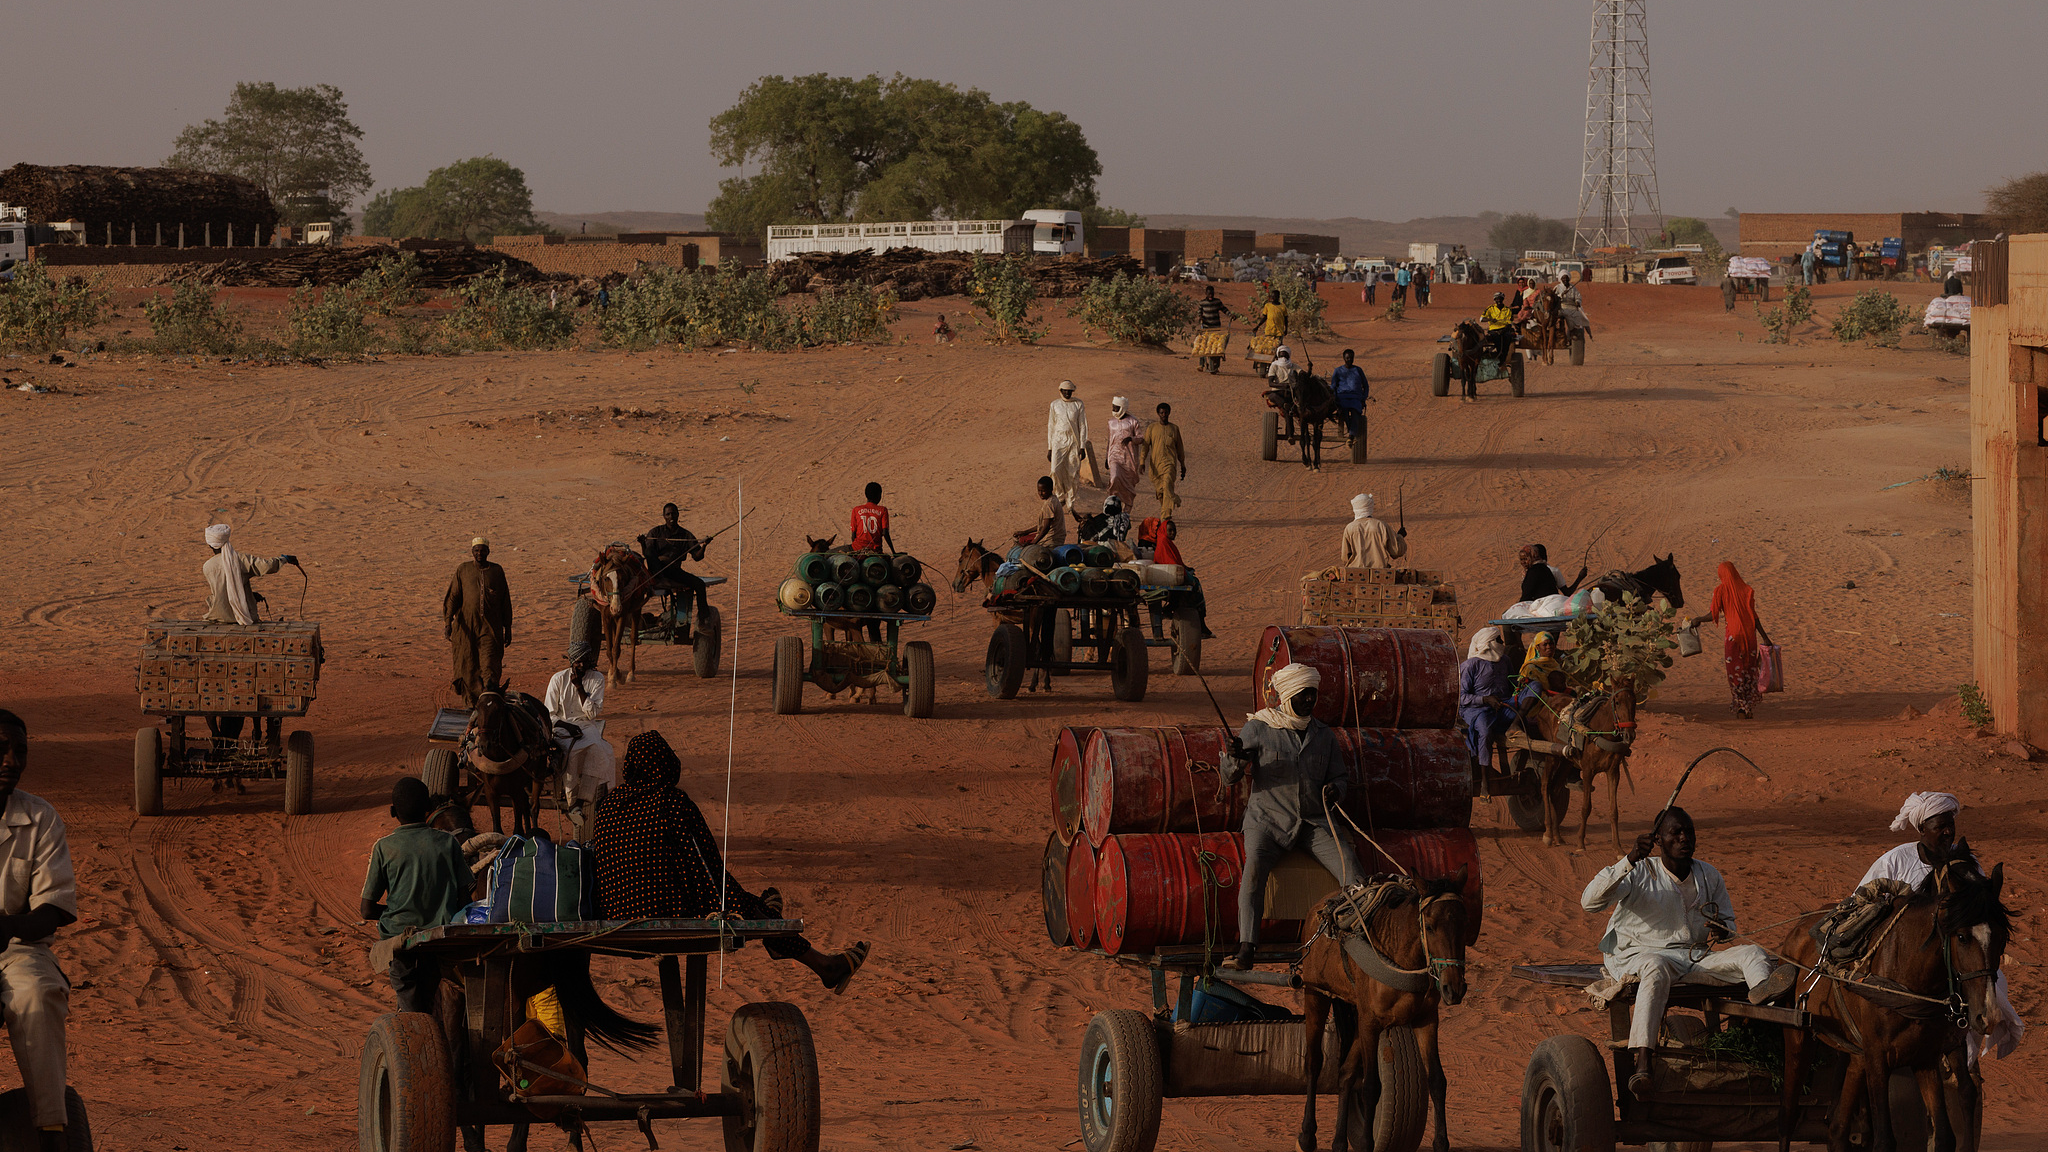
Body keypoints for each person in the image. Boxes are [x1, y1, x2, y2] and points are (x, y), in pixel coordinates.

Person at [592, 731, 868, 993]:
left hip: (616, 916)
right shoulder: (671, 801)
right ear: (665, 764)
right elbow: (707, 866)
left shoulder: (607, 805)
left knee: (734, 898)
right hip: (664, 914)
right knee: (732, 898)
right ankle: (811, 956)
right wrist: (742, 906)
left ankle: (767, 917)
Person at [1582, 808, 1795, 1095]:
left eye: (1689, 832)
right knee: (1655, 967)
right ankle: (1643, 1061)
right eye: (1676, 833)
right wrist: (1630, 859)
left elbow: (1728, 924)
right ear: (1659, 840)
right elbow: (1589, 902)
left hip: (1693, 958)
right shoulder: (1641, 871)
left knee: (1753, 954)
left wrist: (1723, 931)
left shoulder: (1709, 874)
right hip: (1638, 954)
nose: (1685, 838)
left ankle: (1769, 1030)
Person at [1857, 791, 2024, 1060]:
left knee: (1991, 985)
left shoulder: (1966, 865)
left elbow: (1980, 912)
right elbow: (1862, 901)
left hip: (1957, 957)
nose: (1948, 833)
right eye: (1940, 827)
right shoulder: (1895, 861)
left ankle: (1966, 1058)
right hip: (1903, 962)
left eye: (1951, 826)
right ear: (1922, 828)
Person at [1219, 664, 1349, 971]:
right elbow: (1229, 778)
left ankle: (1352, 940)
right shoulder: (1259, 728)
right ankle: (1246, 947)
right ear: (1288, 694)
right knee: (1253, 875)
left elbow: (1341, 777)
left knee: (1352, 872)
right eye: (1304, 695)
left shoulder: (1323, 735)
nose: (1310, 701)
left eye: (1313, 695)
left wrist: (1336, 790)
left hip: (1314, 823)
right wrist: (1235, 758)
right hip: (1267, 822)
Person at [0, 711, 81, 1151]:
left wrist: (8, 927)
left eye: (20, 751)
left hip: (18, 946)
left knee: (37, 993)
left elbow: (52, 908)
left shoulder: (40, 817)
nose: (11, 761)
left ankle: (51, 1129)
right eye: (1, 750)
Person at [360, 777, 473, 1014]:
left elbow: (367, 910)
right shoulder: (448, 842)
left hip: (401, 942)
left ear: (393, 812)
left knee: (410, 1005)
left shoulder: (384, 847)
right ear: (428, 810)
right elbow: (465, 900)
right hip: (441, 941)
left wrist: (399, 909)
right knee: (438, 1000)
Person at [1687, 563, 1771, 719]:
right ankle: (1748, 706)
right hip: (1750, 636)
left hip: (1733, 636)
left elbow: (1713, 615)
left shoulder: (1720, 590)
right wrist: (1765, 637)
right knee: (1750, 670)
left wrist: (1698, 619)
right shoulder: (1746, 590)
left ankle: (1741, 706)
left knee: (1735, 672)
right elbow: (1754, 616)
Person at [545, 643, 615, 826]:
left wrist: (579, 688)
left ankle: (584, 799)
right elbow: (549, 714)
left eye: (585, 661)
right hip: (560, 726)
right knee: (570, 753)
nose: (582, 666)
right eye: (578, 662)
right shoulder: (558, 679)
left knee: (599, 749)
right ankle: (571, 801)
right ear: (572, 662)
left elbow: (592, 714)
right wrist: (566, 727)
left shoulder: (597, 678)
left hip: (586, 725)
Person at [443, 538, 512, 706]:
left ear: (488, 552)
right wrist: (447, 622)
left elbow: (505, 600)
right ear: (472, 552)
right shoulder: (463, 570)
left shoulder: (496, 571)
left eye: (482, 550)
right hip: (466, 629)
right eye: (476, 551)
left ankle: (488, 703)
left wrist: (507, 627)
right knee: (468, 667)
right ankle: (471, 704)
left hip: (491, 629)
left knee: (490, 666)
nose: (479, 554)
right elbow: (453, 597)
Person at [202, 524, 294, 625]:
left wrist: (251, 595)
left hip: (218, 616)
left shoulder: (207, 566)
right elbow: (266, 566)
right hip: (243, 616)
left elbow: (223, 590)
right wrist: (284, 559)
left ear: (210, 545)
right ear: (227, 540)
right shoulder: (240, 560)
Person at [1458, 627, 1517, 771]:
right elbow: (1461, 697)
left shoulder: (1505, 660)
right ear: (1489, 643)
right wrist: (1485, 700)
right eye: (1498, 639)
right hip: (1477, 709)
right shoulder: (1470, 665)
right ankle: (1486, 777)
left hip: (1503, 706)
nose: (1502, 642)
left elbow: (1513, 685)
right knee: (1485, 731)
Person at [641, 503, 711, 619]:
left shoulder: (685, 535)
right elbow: (647, 553)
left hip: (674, 571)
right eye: (668, 514)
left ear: (678, 515)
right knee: (649, 551)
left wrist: (704, 546)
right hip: (657, 571)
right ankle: (659, 580)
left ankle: (704, 618)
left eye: (673, 513)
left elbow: (697, 557)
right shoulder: (655, 532)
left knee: (699, 584)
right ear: (664, 516)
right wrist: (642, 543)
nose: (671, 517)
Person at [1046, 380, 1089, 512]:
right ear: (1060, 391)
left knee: (1073, 471)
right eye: (1065, 391)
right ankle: (1059, 496)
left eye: (1070, 391)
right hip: (1058, 441)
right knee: (1055, 470)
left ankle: (1071, 501)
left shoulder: (1078, 404)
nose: (1067, 393)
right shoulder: (1054, 405)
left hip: (1073, 442)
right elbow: (1051, 426)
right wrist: (1050, 447)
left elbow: (1083, 425)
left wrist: (1082, 446)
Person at [1141, 402, 1187, 517]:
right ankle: (1169, 505)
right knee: (1161, 493)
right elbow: (1145, 446)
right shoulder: (1152, 428)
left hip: (1170, 464)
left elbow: (1180, 448)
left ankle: (1165, 516)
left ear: (1169, 413)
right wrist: (1142, 462)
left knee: (1167, 485)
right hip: (1155, 467)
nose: (1164, 415)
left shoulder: (1174, 429)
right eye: (1161, 413)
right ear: (1158, 414)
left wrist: (1182, 464)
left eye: (1166, 412)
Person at [1339, 493, 1406, 569]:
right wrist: (1400, 536)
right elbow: (1396, 551)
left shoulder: (1349, 528)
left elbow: (1345, 557)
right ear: (1370, 507)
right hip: (1380, 573)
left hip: (1355, 573)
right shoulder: (1382, 525)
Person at [1104, 397, 1144, 508]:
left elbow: (1141, 438)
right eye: (1113, 407)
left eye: (1116, 408)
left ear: (1122, 408)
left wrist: (1131, 439)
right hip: (1114, 456)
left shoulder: (1133, 422)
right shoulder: (1111, 422)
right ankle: (1112, 504)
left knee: (1128, 485)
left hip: (1129, 459)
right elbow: (1110, 440)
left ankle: (1127, 508)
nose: (1114, 409)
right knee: (1114, 478)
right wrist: (1107, 457)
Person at [1329, 348, 1368, 442]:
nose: (1349, 360)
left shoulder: (1358, 370)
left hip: (1356, 398)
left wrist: (1363, 398)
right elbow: (1333, 386)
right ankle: (1351, 434)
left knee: (1355, 412)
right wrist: (1335, 399)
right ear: (1343, 358)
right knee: (1344, 412)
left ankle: (1351, 435)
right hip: (1342, 397)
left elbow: (1366, 386)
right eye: (1347, 358)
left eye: (1351, 358)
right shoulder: (1338, 371)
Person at [1016, 476, 1066, 546]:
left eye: (1043, 491)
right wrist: (1025, 532)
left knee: (1022, 541)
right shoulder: (1054, 499)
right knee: (1024, 537)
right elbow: (1042, 526)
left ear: (1051, 489)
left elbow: (1046, 528)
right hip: (1059, 537)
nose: (1040, 493)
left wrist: (1033, 543)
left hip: (1051, 539)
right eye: (1039, 490)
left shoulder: (1049, 504)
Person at [1197, 286, 1235, 374]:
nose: (1211, 295)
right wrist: (1200, 317)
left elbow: (1224, 309)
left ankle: (1216, 366)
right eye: (1209, 294)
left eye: (1212, 294)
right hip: (1206, 328)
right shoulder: (1202, 303)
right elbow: (1199, 312)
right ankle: (1201, 364)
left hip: (1216, 328)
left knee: (1218, 347)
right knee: (1203, 345)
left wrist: (1230, 315)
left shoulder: (1217, 302)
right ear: (1205, 293)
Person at [850, 483, 894, 554]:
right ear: (879, 496)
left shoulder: (856, 510)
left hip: (857, 548)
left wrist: (856, 550)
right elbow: (885, 533)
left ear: (866, 495)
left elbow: (853, 535)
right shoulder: (883, 510)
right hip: (875, 549)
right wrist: (893, 552)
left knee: (831, 553)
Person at [1483, 292, 1516, 363]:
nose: (1498, 301)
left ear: (1502, 300)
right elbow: (1482, 319)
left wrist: (1503, 331)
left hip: (1505, 329)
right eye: (1497, 299)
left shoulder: (1507, 310)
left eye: (1500, 299)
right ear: (1494, 300)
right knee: (1496, 337)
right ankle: (1499, 355)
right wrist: (1490, 319)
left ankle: (1503, 357)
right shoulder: (1490, 308)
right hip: (1493, 329)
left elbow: (1509, 323)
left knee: (1507, 337)